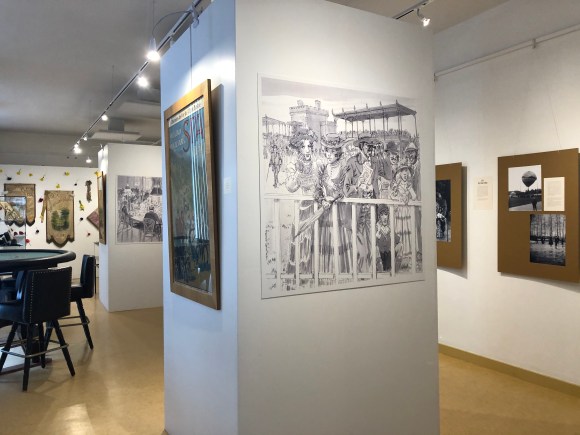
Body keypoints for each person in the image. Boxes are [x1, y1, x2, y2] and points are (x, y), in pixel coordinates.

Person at [314, 134, 352, 276]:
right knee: (325, 239)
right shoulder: (323, 168)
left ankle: (340, 271)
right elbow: (317, 189)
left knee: (338, 237)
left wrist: (332, 199)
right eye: (327, 151)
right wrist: (321, 200)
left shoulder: (344, 168)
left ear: (338, 152)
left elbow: (344, 190)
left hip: (338, 211)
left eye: (331, 151)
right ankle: (326, 271)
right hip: (325, 211)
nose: (328, 154)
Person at [285, 129, 318, 275]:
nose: (307, 150)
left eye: (309, 146)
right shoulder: (294, 164)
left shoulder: (316, 164)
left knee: (316, 241)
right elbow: (290, 187)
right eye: (304, 147)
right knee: (301, 240)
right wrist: (298, 173)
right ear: (299, 149)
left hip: (317, 208)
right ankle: (300, 274)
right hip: (302, 209)